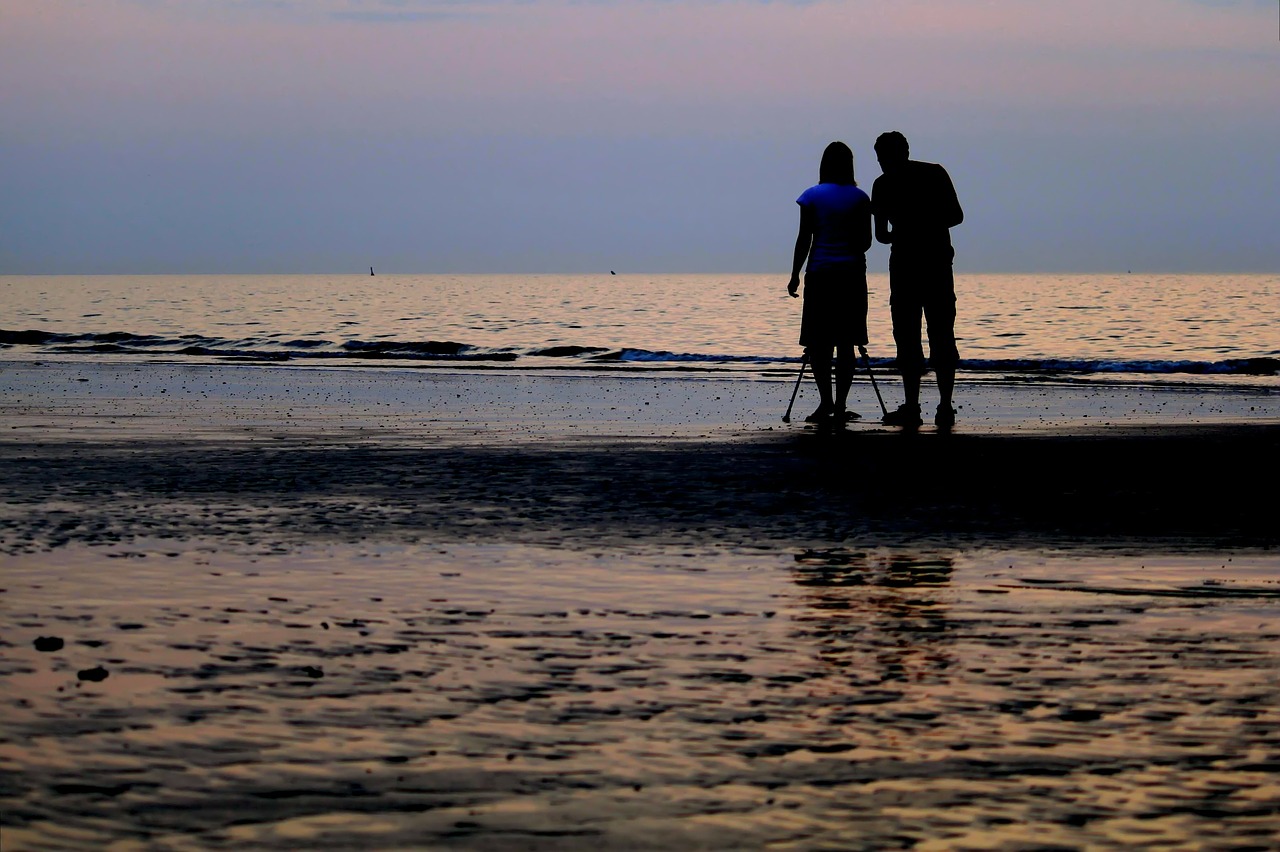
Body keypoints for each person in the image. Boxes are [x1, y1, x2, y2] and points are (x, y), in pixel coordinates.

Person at [871, 131, 964, 428]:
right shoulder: (934, 173)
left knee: (910, 335)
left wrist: (908, 227)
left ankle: (917, 405)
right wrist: (926, 223)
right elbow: (955, 215)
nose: (883, 164)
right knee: (938, 332)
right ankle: (942, 406)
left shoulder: (883, 184)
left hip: (908, 265)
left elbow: (882, 235)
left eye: (883, 158)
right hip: (933, 263)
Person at [786, 141, 873, 423]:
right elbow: (865, 242)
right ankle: (841, 404)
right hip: (850, 275)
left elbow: (804, 238)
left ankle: (826, 402)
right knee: (846, 342)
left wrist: (794, 275)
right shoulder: (860, 198)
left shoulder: (811, 196)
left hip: (820, 274)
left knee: (819, 343)